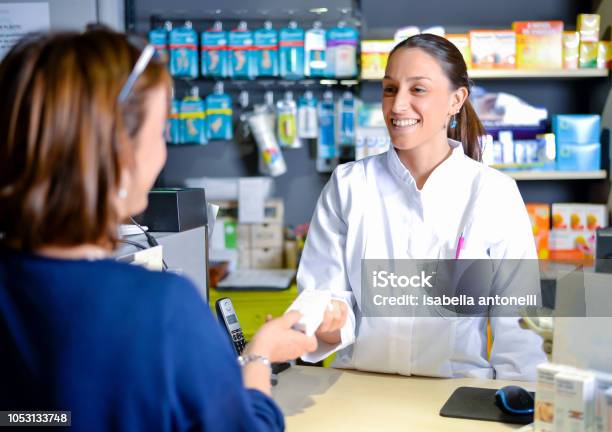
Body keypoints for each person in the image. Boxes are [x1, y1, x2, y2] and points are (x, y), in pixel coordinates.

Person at [0, 29, 316, 431]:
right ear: (116, 152)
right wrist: (259, 356)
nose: (162, 152)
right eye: (160, 132)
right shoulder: (157, 309)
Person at [297, 34, 547, 380]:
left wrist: (517, 407)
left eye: (418, 90)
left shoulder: (494, 194)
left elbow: (519, 332)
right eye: (389, 89)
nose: (397, 105)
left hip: (455, 394)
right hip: (359, 389)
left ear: (456, 100)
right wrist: (324, 321)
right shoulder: (349, 185)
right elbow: (324, 304)